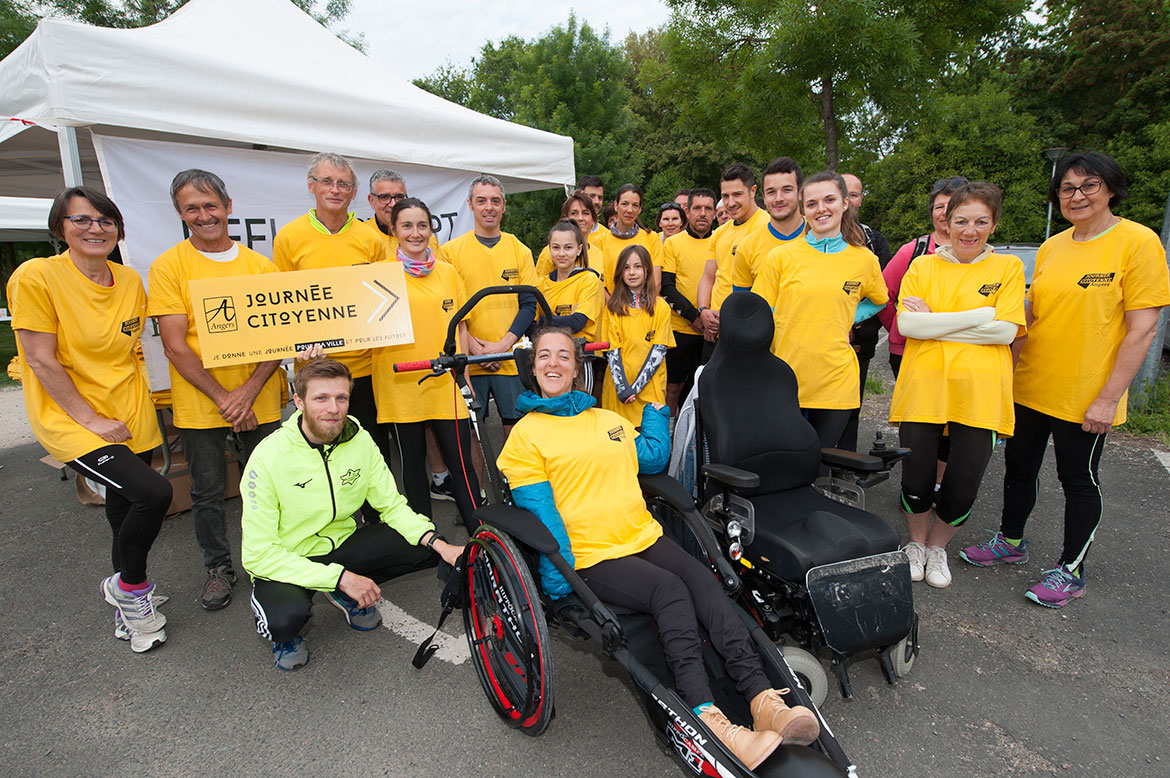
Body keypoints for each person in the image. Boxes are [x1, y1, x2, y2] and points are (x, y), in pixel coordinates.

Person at [497, 326, 820, 769]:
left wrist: (653, 415)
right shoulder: (526, 437)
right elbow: (539, 512)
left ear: (577, 368)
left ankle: (764, 698)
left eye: (564, 356)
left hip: (641, 536)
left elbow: (649, 459)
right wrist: (558, 577)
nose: (554, 364)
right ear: (532, 369)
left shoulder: (606, 420)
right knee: (669, 592)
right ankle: (708, 716)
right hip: (591, 555)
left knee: (705, 583)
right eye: (544, 356)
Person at [961, 152, 1170, 607]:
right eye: (1067, 188)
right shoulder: (1054, 246)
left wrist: (1109, 398)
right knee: (1018, 468)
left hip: (1087, 393)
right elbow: (1030, 316)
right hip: (1032, 383)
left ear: (1110, 188)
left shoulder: (1138, 242)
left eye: (1088, 185)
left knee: (1078, 479)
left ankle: (1070, 569)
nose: (1076, 196)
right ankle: (1011, 541)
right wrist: (1006, 374)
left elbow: (1144, 329)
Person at [8, 186, 171, 652]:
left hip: (130, 409)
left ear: (118, 229)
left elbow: (131, 350)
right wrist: (91, 419)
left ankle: (124, 601)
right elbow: (40, 360)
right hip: (74, 418)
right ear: (60, 228)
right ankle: (132, 590)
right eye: (81, 220)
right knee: (153, 492)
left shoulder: (129, 280)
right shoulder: (35, 276)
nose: (95, 229)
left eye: (105, 220)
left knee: (124, 510)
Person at [242, 358, 464, 670]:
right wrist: (341, 578)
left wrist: (442, 545)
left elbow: (392, 506)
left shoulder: (359, 439)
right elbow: (257, 554)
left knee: (425, 547)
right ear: (298, 401)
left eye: (341, 398)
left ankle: (343, 589)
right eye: (321, 398)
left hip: (340, 547)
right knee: (284, 619)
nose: (333, 408)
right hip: (288, 558)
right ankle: (290, 628)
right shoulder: (268, 457)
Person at [148, 169, 285, 611]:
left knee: (268, 486)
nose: (204, 215)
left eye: (211, 205)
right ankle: (218, 568)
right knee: (207, 491)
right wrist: (224, 397)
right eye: (192, 208)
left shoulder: (260, 266)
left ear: (228, 207)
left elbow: (280, 336)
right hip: (200, 405)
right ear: (180, 213)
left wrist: (246, 392)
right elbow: (174, 344)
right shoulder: (168, 266)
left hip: (258, 398)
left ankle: (272, 561)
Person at [887, 182, 1026, 589]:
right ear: (946, 223)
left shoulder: (1007, 269)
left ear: (994, 224)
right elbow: (908, 325)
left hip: (980, 394)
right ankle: (915, 543)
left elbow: (1004, 333)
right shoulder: (923, 267)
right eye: (961, 220)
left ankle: (937, 546)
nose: (970, 230)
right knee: (916, 476)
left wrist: (938, 322)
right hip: (924, 388)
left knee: (963, 483)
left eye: (981, 221)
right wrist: (980, 314)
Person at [752, 172, 887, 449]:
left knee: (823, 463)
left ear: (845, 203)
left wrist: (849, 316)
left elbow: (879, 299)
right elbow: (762, 311)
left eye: (829, 200)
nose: (821, 209)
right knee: (790, 461)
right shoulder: (781, 257)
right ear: (803, 209)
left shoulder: (864, 260)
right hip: (787, 378)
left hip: (836, 380)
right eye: (811, 203)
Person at [371, 197, 482, 528]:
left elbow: (461, 324)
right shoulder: (378, 275)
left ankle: (482, 535)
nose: (416, 233)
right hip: (399, 385)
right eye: (407, 225)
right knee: (413, 470)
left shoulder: (447, 273)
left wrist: (466, 375)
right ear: (394, 230)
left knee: (462, 465)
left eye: (422, 225)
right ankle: (424, 542)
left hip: (446, 384)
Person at [273, 153, 388, 463]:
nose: (335, 190)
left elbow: (383, 302)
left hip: (364, 368)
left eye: (343, 184)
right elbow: (284, 303)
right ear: (312, 186)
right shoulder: (288, 237)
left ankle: (376, 513)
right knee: (321, 454)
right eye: (327, 182)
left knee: (370, 451)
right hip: (315, 369)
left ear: (353, 191)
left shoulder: (370, 239)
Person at [439, 175, 537, 444]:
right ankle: (479, 489)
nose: (489, 207)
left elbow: (529, 306)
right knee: (472, 436)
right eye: (481, 201)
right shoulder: (449, 252)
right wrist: (476, 351)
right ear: (470, 205)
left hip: (509, 361)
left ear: (504, 206)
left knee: (517, 433)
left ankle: (515, 485)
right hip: (468, 362)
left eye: (495, 201)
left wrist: (503, 346)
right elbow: (449, 309)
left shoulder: (520, 250)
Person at [879, 176, 968, 377]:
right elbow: (881, 296)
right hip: (910, 350)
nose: (945, 212)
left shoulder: (985, 257)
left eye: (952, 204)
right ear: (931, 214)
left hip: (963, 349)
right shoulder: (911, 252)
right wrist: (900, 327)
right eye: (939, 207)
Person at [839, 172, 894, 452]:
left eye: (855, 194)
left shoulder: (873, 241)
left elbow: (881, 294)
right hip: (816, 337)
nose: (848, 199)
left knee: (851, 405)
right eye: (843, 192)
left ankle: (844, 465)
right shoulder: (807, 239)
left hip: (860, 338)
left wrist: (850, 319)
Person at [697, 163, 769, 358]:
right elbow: (708, 277)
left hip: (748, 330)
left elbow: (765, 286)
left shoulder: (768, 228)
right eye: (725, 196)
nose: (730, 203)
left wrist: (731, 316)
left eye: (737, 195)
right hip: (715, 331)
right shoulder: (720, 233)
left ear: (753, 191)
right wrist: (704, 311)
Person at [602, 245, 675, 427]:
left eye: (637, 266)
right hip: (619, 393)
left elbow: (658, 351)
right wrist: (622, 389)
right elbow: (612, 351)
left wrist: (635, 389)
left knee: (651, 447)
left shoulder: (661, 308)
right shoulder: (612, 308)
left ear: (647, 270)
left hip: (651, 390)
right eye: (626, 267)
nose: (632, 272)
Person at [661, 188, 717, 416]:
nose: (702, 214)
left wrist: (710, 320)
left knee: (707, 389)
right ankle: (669, 435)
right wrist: (694, 316)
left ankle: (700, 438)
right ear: (688, 211)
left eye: (708, 209)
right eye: (697, 208)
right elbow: (666, 287)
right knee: (673, 387)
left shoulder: (723, 239)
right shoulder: (673, 243)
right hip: (681, 329)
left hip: (715, 330)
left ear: (714, 213)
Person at [537, 220, 605, 393]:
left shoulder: (589, 280)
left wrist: (546, 320)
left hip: (580, 358)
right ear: (549, 249)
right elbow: (533, 326)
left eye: (568, 247)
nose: (561, 253)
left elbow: (577, 322)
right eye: (556, 247)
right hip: (549, 362)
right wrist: (555, 322)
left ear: (579, 249)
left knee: (579, 412)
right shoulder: (541, 284)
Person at [731, 157, 806, 293]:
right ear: (764, 198)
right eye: (771, 192)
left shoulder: (820, 236)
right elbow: (742, 307)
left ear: (800, 193)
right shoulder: (747, 247)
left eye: (787, 190)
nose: (779, 198)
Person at [593, 184, 664, 294]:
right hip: (611, 308)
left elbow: (656, 282)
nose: (630, 210)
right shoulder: (599, 241)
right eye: (625, 204)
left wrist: (638, 308)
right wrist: (614, 307)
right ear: (616, 206)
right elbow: (598, 283)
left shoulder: (652, 238)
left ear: (640, 209)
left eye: (635, 205)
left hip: (644, 308)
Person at [361, 168, 441, 257]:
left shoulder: (426, 238)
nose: (393, 204)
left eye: (399, 197)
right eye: (384, 197)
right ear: (371, 200)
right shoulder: (361, 236)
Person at [534, 191, 603, 276]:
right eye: (574, 213)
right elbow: (539, 287)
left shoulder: (599, 254)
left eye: (585, 213)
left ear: (593, 219)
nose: (580, 218)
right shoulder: (550, 253)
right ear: (566, 217)